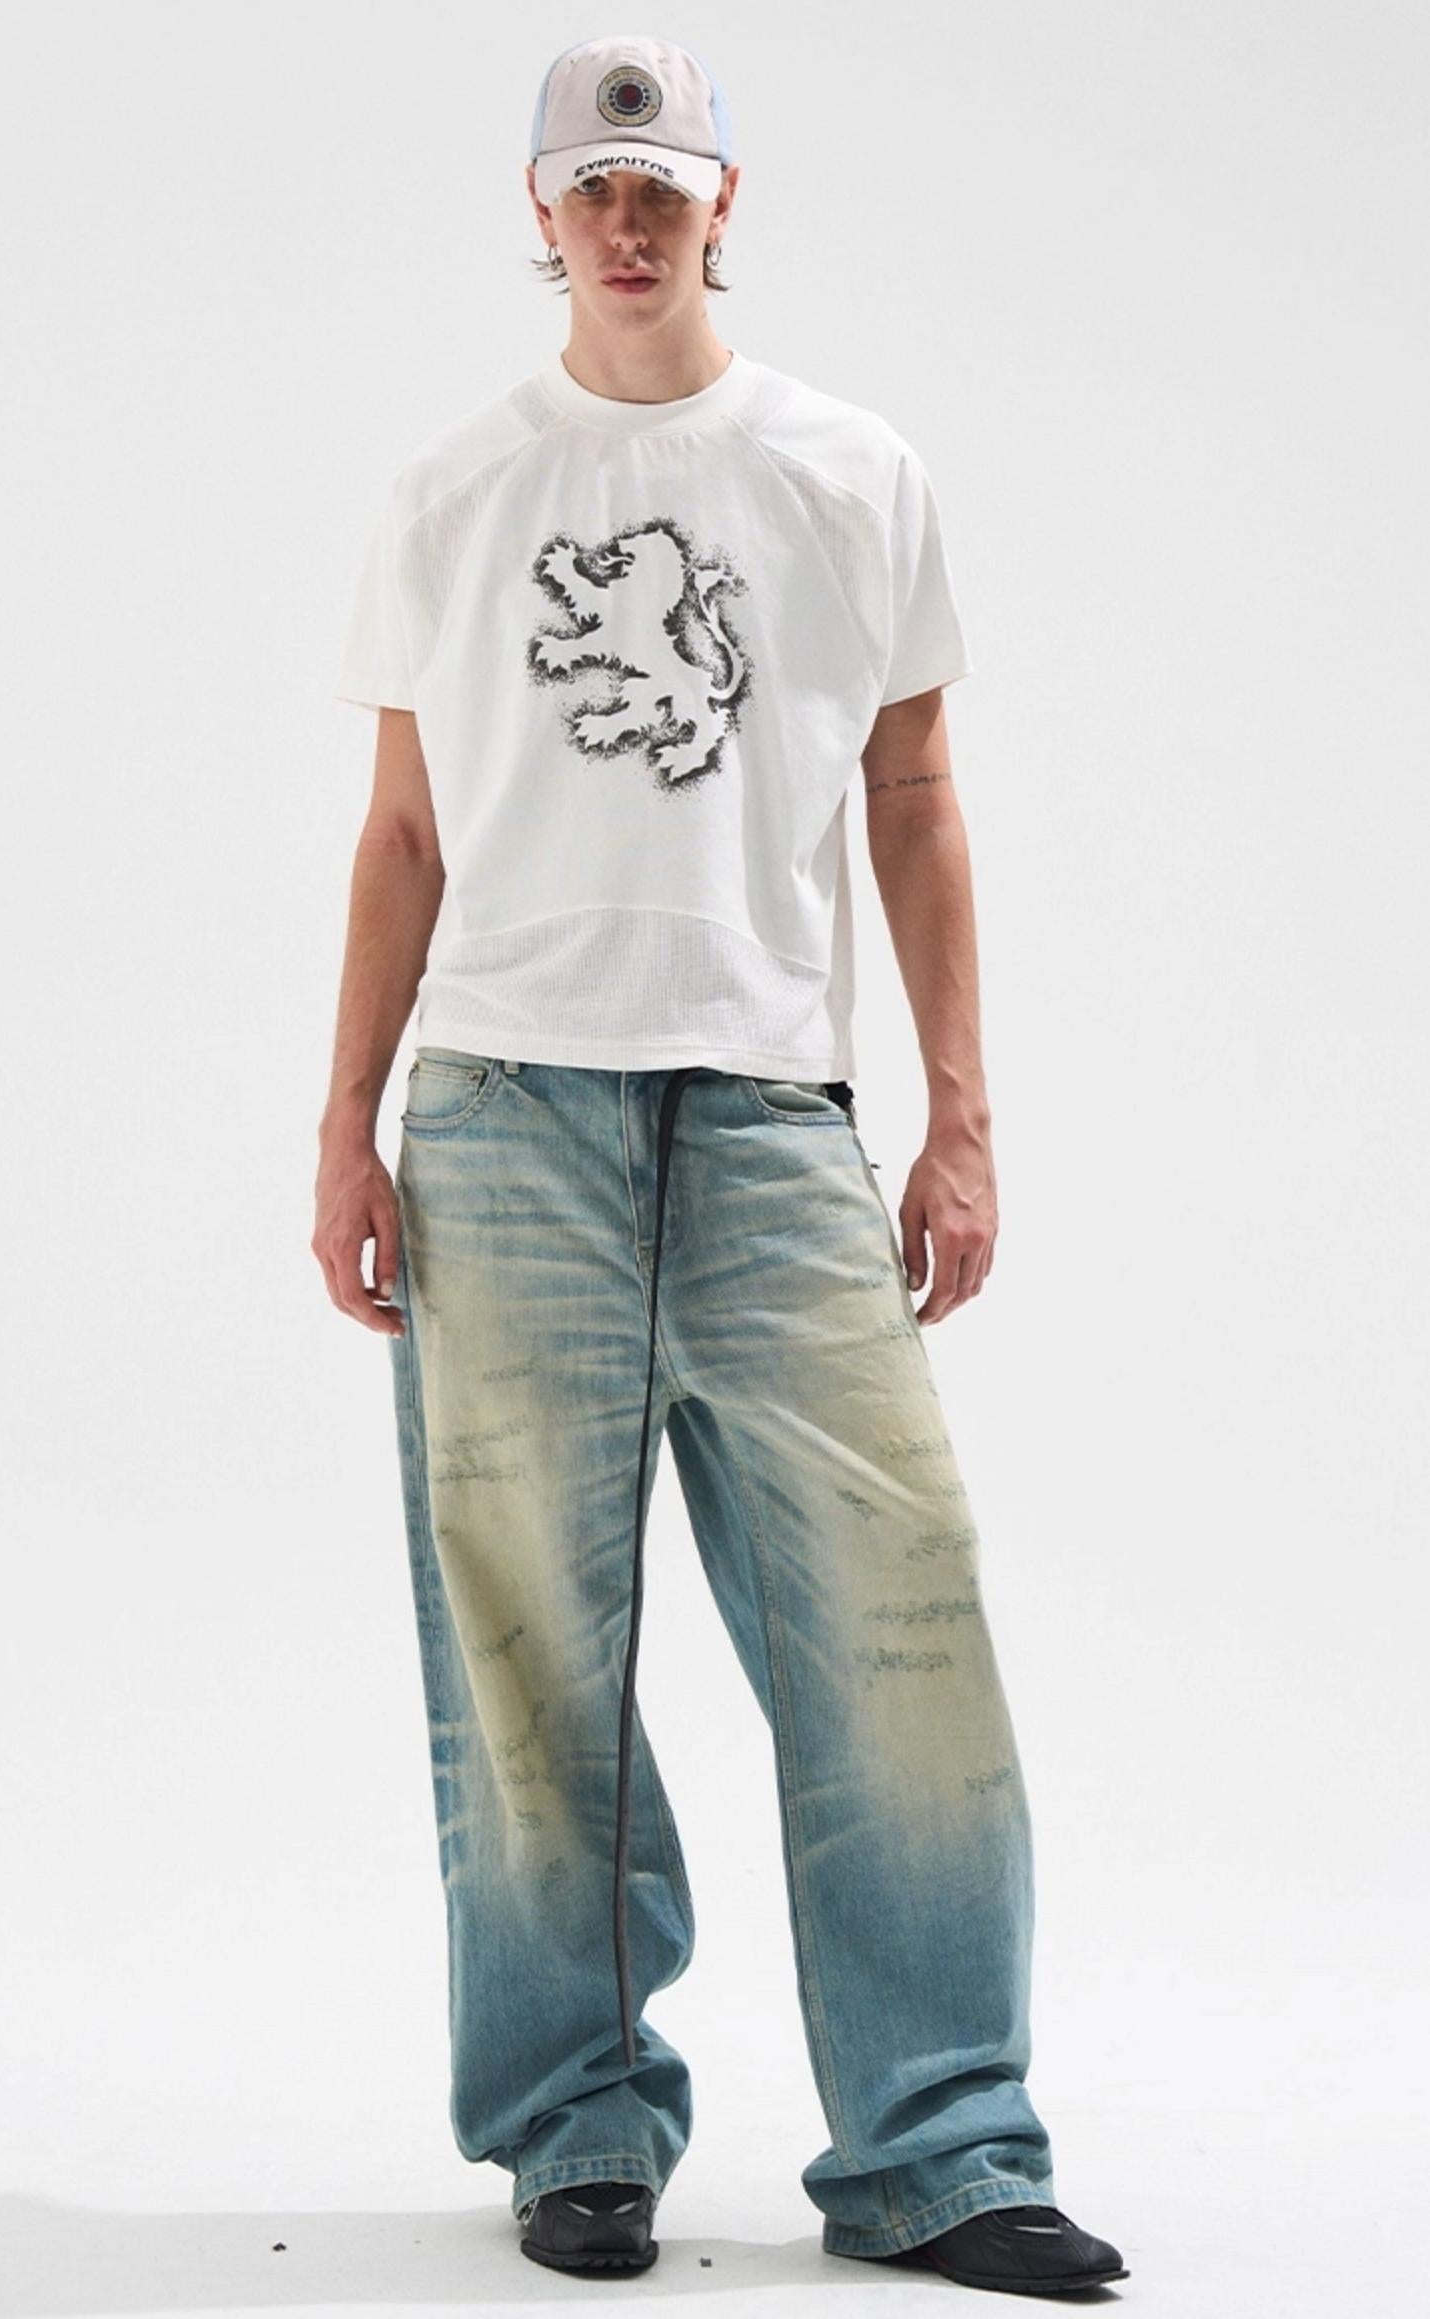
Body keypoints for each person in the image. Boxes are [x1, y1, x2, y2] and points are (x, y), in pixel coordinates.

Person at [313, 32, 1127, 2298]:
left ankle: (942, 2145)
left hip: (771, 1123)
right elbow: (401, 834)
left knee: (898, 1633)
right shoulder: (452, 490)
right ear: (540, 207)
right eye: (592, 184)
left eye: (661, 181)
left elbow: (913, 800)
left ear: (721, 201)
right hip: (502, 1118)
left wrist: (960, 1117)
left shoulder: (850, 471)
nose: (628, 216)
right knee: (528, 1669)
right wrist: (343, 1122)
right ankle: (574, 2125)